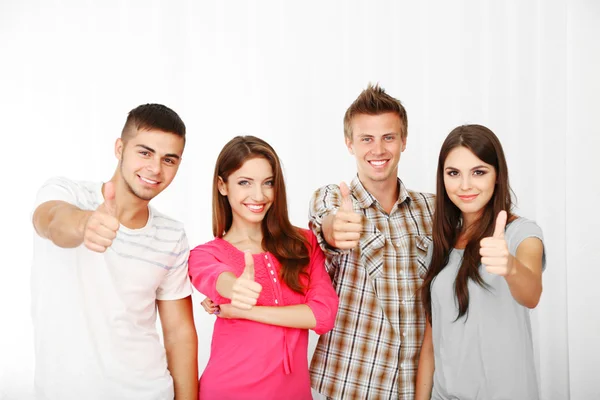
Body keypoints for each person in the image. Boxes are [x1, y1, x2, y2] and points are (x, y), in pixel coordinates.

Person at [31, 104, 198, 400]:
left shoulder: (172, 234)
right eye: (145, 152)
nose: (156, 169)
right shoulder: (68, 193)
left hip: (151, 391)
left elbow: (179, 335)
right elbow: (50, 221)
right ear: (120, 148)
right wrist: (85, 224)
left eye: (169, 160)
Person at [309, 84, 435, 399]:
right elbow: (328, 225)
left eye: (388, 137)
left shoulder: (433, 209)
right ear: (349, 143)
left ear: (404, 141)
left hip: (417, 386)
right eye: (367, 139)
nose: (377, 150)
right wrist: (336, 229)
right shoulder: (333, 198)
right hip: (351, 385)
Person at [188, 135, 339, 400]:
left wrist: (247, 311)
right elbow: (214, 278)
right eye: (244, 182)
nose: (259, 195)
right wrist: (233, 287)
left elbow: (323, 316)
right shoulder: (206, 254)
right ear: (222, 186)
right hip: (227, 391)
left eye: (268, 183)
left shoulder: (304, 243)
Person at [415, 124, 545, 400]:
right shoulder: (439, 245)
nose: (465, 185)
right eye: (453, 173)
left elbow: (532, 293)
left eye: (479, 172)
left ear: (497, 176)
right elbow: (431, 341)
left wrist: (509, 266)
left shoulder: (521, 233)